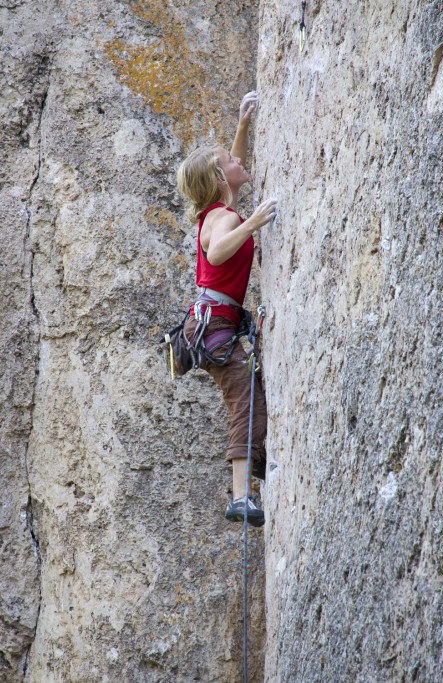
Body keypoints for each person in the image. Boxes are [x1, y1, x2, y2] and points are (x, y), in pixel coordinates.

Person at [175, 91, 278, 527]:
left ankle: (254, 459)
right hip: (217, 323)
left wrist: (243, 127)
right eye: (229, 160)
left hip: (212, 322)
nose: (238, 161)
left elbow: (231, 173)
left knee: (247, 392)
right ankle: (241, 496)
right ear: (220, 179)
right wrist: (255, 221)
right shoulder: (228, 220)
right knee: (246, 401)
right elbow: (218, 255)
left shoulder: (217, 211)